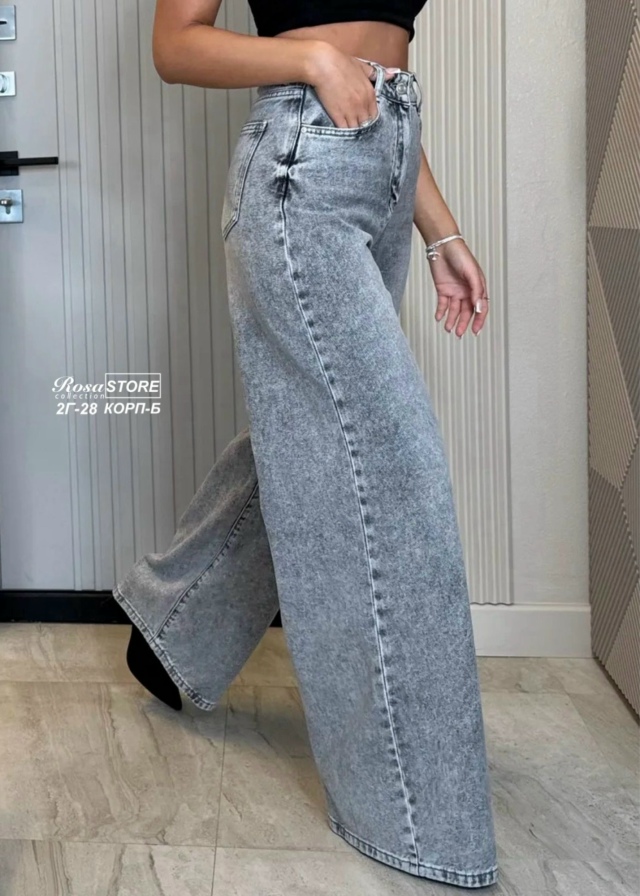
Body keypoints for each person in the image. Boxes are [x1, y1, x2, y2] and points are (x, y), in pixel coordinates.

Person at [112, 0, 498, 888]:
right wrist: (313, 60)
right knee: (389, 472)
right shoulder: (306, 76)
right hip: (301, 174)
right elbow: (176, 44)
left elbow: (379, 76)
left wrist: (440, 228)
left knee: (321, 435)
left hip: (384, 157)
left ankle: (173, 633)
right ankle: (421, 821)